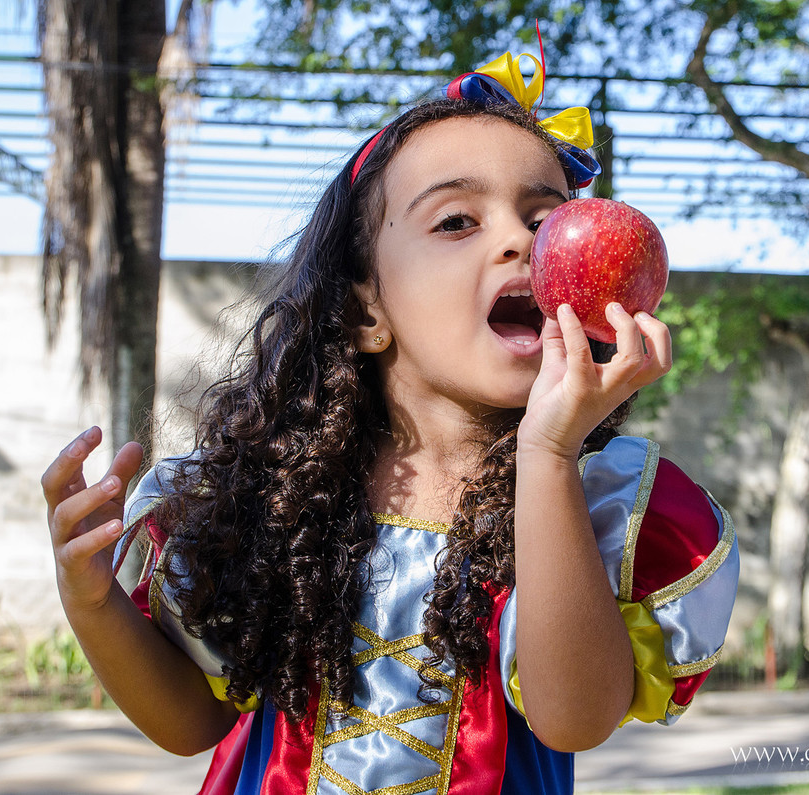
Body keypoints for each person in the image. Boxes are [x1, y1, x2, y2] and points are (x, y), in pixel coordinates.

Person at [42, 50, 739, 795]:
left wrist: (550, 452)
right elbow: (189, 725)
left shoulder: (594, 500)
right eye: (457, 220)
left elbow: (574, 719)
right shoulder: (274, 499)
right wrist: (91, 601)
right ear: (364, 309)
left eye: (545, 218)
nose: (521, 241)